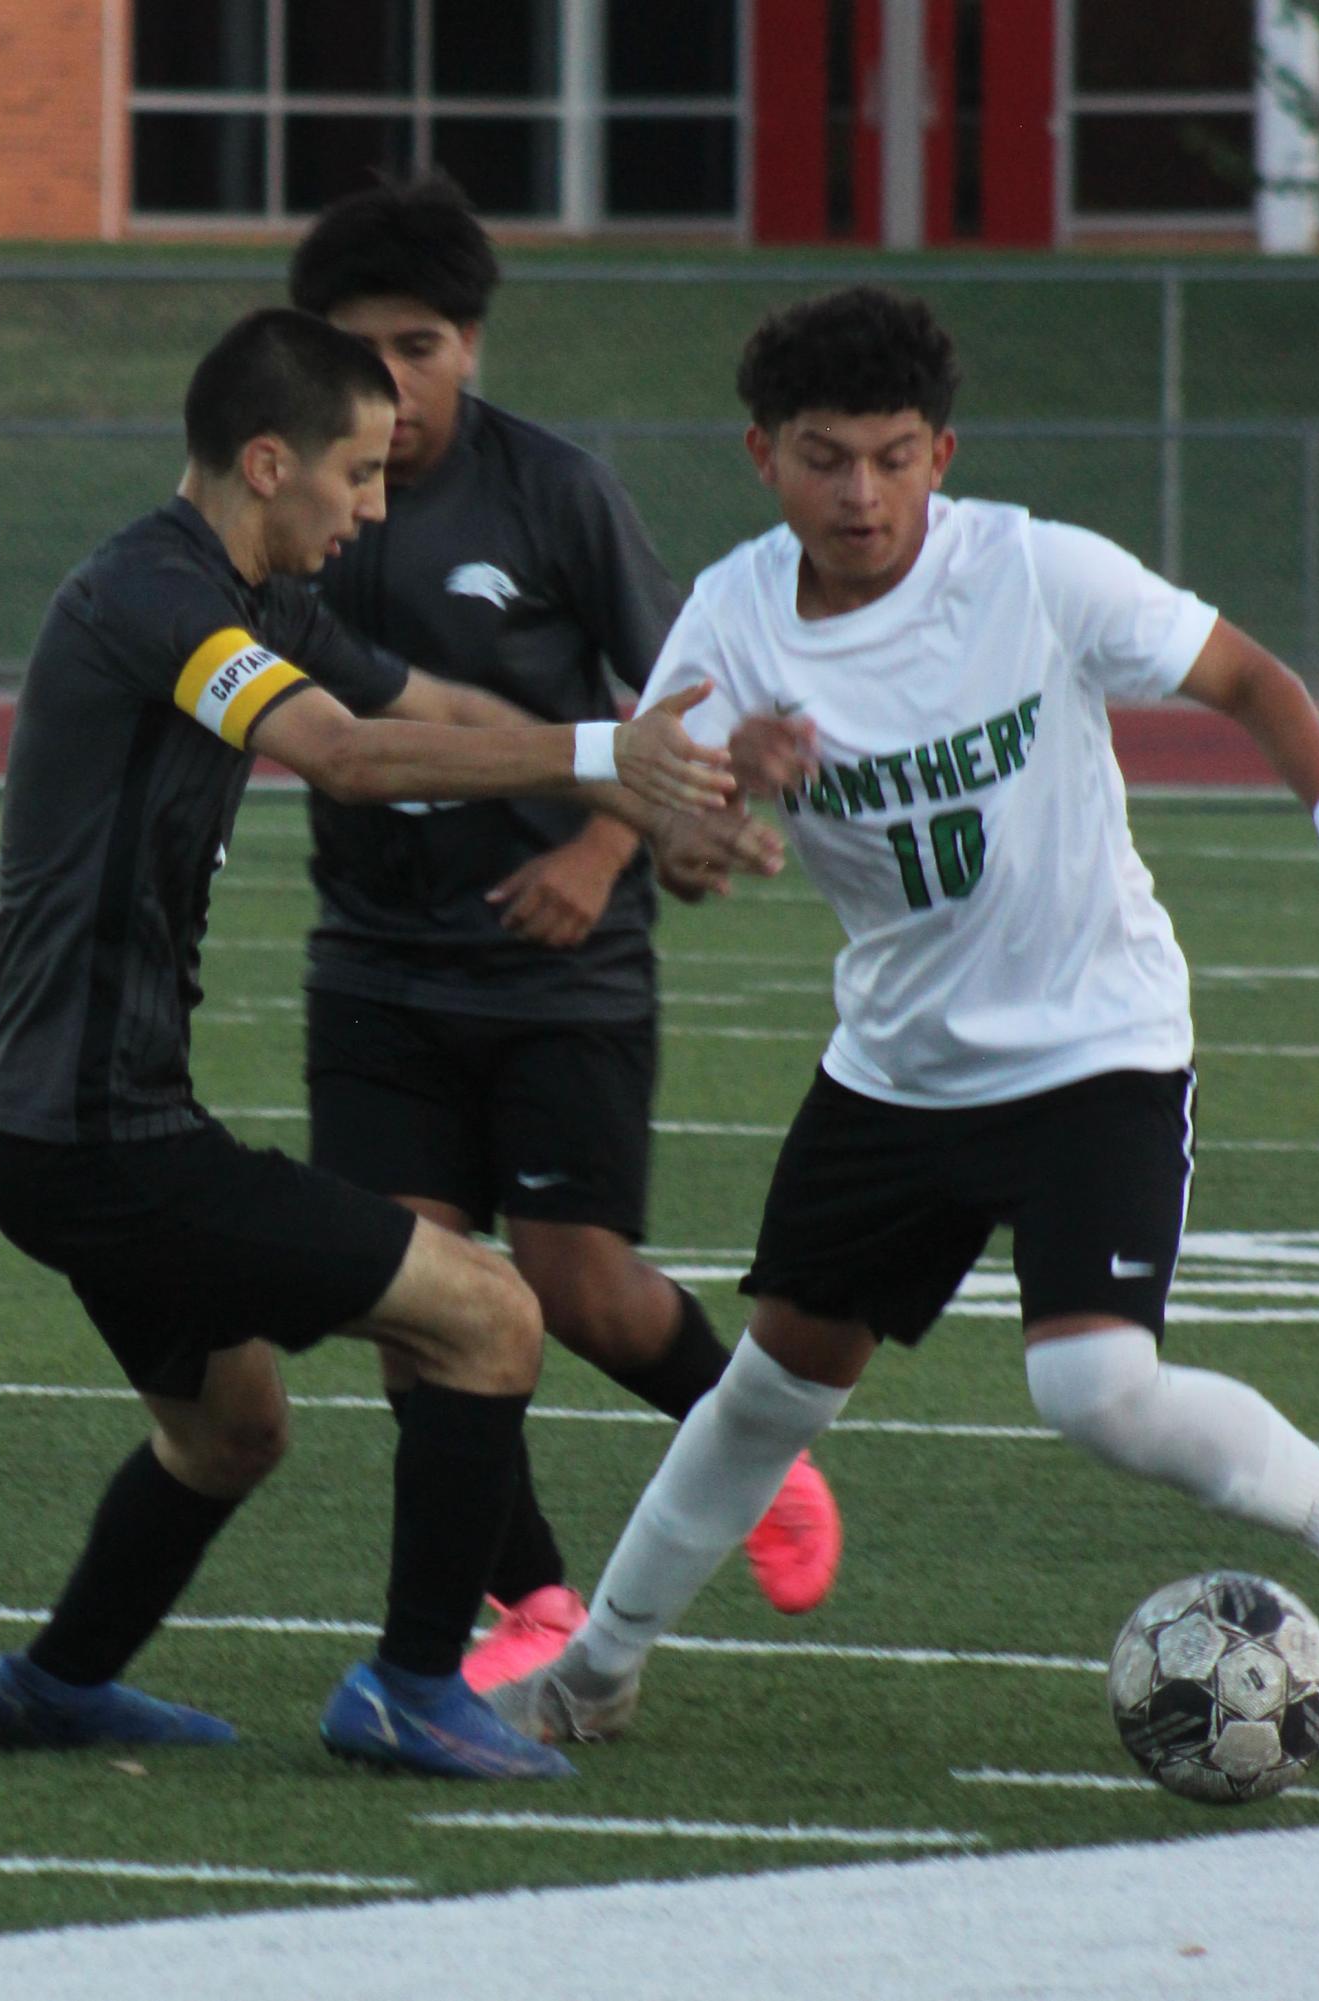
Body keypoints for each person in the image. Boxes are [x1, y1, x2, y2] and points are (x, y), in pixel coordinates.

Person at [490, 285, 1319, 1746]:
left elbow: (1245, 672)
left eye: (891, 454)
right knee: (767, 1391)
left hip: (1098, 1045)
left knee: (1093, 1385)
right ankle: (595, 1670)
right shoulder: (734, 616)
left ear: (943, 453)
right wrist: (722, 791)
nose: (860, 492)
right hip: (898, 1066)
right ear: (763, 454)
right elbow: (676, 845)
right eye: (825, 455)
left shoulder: (1036, 570)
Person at [0, 305, 756, 1782]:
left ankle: (49, 1686)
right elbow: (341, 754)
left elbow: (426, 707)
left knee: (233, 1430)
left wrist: (649, 792)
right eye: (360, 475)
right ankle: (407, 1685)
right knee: (490, 1316)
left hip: (70, 1126)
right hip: (96, 1136)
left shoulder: (252, 595)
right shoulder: (155, 596)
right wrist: (599, 757)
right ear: (269, 462)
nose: (377, 508)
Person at [286, 176, 843, 1692]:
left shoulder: (553, 493)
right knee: (418, 1296)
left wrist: (608, 850)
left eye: (420, 346)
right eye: (360, 351)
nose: (392, 383)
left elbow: (685, 696)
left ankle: (757, 1452)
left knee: (582, 1287)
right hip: (374, 957)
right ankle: (526, 1597)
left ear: (471, 343)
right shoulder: (301, 500)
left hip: (561, 961)